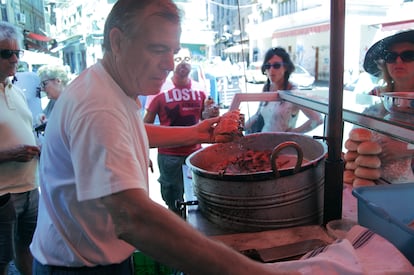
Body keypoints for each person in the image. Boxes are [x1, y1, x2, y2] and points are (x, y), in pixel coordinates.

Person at [29, 1, 281, 274]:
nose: (170, 64)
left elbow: (127, 132)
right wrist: (256, 272)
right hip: (77, 267)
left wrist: (198, 132)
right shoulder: (97, 106)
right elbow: (133, 218)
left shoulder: (108, 86)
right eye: (158, 49)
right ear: (117, 41)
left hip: (88, 254)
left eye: (173, 51)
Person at [143, 52, 219, 215]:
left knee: (200, 199)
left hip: (195, 153)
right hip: (169, 156)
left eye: (186, 59)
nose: (183, 63)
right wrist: (143, 153)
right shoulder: (159, 90)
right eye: (178, 59)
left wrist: (211, 113)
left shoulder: (200, 89)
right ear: (171, 63)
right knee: (173, 202)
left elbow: (203, 118)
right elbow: (145, 124)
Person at [347, 29, 414, 184]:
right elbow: (356, 135)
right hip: (370, 184)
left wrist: (406, 148)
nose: (398, 62)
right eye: (391, 57)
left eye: (408, 55)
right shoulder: (373, 96)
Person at [0, 21, 41, 275]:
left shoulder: (16, 89)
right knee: (2, 259)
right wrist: (10, 154)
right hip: (4, 195)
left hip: (29, 187)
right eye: (6, 53)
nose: (15, 58)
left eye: (17, 52)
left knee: (28, 250)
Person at [244, 47, 322, 134]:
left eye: (276, 66)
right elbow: (258, 115)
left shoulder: (293, 92)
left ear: (285, 67)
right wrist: (240, 128)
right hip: (263, 140)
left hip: (283, 144)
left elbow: (317, 119)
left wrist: (293, 133)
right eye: (268, 66)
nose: (271, 70)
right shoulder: (267, 88)